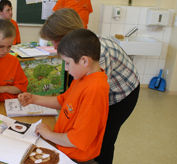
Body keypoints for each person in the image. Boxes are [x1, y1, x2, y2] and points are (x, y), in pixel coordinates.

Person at [40, 8, 140, 164]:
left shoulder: (98, 57)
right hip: (104, 90)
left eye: (56, 40)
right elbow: (75, 95)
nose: (53, 46)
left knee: (104, 138)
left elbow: (91, 98)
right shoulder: (81, 54)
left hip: (123, 93)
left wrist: (66, 135)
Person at [19, 29, 109, 164]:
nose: (66, 68)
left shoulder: (94, 90)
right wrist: (34, 98)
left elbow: (78, 139)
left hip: (75, 158)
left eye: (67, 63)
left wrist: (49, 134)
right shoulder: (82, 76)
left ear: (84, 61)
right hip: (62, 147)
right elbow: (63, 101)